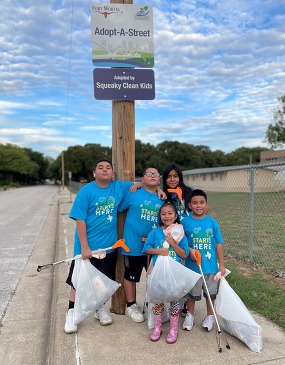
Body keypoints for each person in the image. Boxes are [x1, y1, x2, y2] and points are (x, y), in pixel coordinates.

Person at [64, 159, 141, 334]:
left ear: (112, 173)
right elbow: (79, 219)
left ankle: (100, 309)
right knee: (77, 282)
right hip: (87, 247)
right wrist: (84, 247)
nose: (105, 170)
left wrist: (154, 188)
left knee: (103, 281)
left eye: (108, 168)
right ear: (94, 173)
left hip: (109, 247)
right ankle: (71, 312)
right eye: (100, 168)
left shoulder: (117, 187)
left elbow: (140, 184)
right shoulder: (86, 191)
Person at [118, 166, 165, 323]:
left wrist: (159, 189)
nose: (152, 176)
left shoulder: (162, 197)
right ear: (142, 178)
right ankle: (131, 305)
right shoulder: (133, 192)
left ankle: (155, 306)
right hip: (133, 243)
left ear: (159, 180)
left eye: (156, 174)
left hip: (155, 245)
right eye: (148, 174)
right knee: (131, 275)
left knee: (156, 276)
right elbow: (120, 208)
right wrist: (136, 184)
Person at [142, 201, 189, 344]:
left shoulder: (180, 233)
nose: (167, 216)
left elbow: (184, 254)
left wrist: (173, 243)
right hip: (158, 274)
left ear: (175, 215)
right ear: (160, 216)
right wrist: (158, 251)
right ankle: (158, 327)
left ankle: (173, 329)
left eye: (170, 213)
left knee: (174, 301)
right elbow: (146, 249)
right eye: (163, 214)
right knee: (158, 301)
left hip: (173, 274)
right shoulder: (155, 232)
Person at [181, 189, 226, 332]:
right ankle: (190, 315)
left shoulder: (212, 222)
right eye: (195, 203)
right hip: (192, 267)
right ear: (189, 205)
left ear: (206, 204)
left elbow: (218, 244)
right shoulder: (185, 222)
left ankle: (210, 316)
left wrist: (222, 265)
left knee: (210, 294)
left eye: (201, 203)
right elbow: (180, 243)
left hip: (210, 267)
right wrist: (190, 250)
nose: (198, 206)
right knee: (191, 294)